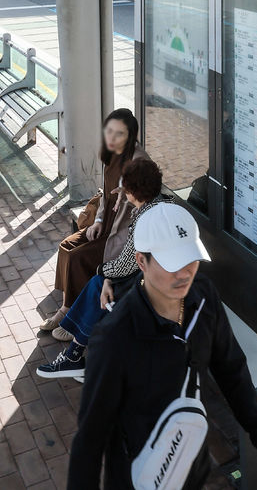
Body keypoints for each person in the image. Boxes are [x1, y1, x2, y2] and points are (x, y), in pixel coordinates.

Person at [67, 204, 257, 490]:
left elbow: (233, 373)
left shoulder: (203, 298)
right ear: (141, 262)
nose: (184, 272)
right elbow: (90, 440)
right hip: (136, 480)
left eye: (190, 258)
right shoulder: (114, 338)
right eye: (170, 262)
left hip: (191, 469)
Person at [37, 157, 167, 380]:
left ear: (134, 192)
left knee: (98, 283)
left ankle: (73, 356)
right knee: (101, 282)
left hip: (149, 287)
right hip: (153, 279)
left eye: (126, 188)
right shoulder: (163, 205)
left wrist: (103, 272)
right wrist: (108, 275)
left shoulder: (145, 218)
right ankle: (74, 353)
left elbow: (125, 265)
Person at [40, 108, 148, 330]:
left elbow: (142, 201)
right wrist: (98, 221)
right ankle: (69, 301)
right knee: (66, 246)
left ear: (131, 135)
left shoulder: (138, 161)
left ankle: (70, 314)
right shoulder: (110, 156)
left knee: (79, 257)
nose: (112, 138)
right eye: (109, 131)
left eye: (119, 133)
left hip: (122, 232)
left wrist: (125, 196)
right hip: (106, 223)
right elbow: (104, 194)